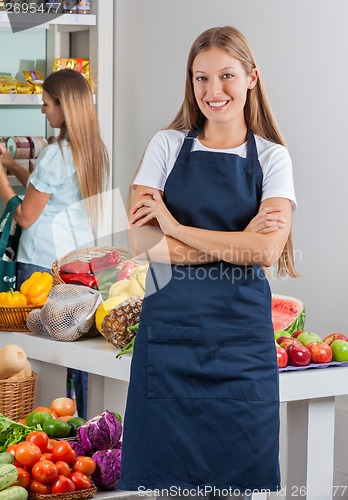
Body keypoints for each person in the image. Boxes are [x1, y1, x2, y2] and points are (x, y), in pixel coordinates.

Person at [119, 26, 297, 499]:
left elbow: (264, 252)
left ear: (251, 78)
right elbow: (144, 245)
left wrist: (174, 227)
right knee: (167, 488)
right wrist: (236, 242)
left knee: (240, 486)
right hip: (168, 344)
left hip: (241, 351)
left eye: (226, 76)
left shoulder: (275, 160)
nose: (212, 91)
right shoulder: (165, 146)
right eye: (201, 78)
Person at [0, 68, 109, 419]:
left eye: (46, 103)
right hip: (75, 266)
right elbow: (50, 190)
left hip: (39, 263)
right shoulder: (92, 150)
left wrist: (0, 179)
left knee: (37, 353)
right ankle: (78, 421)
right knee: (73, 352)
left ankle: (39, 424)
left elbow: (26, 216)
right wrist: (14, 166)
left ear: (64, 106)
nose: (42, 111)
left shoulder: (54, 153)